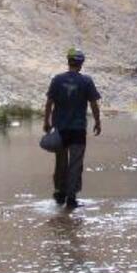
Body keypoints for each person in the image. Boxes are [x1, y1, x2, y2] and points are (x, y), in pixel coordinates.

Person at [43, 48, 102, 209]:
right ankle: (71, 198)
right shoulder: (86, 81)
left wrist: (46, 121)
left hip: (60, 129)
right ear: (81, 63)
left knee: (60, 162)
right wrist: (98, 121)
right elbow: (93, 104)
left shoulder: (57, 80)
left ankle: (59, 192)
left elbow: (49, 103)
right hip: (78, 130)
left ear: (68, 61)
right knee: (76, 163)